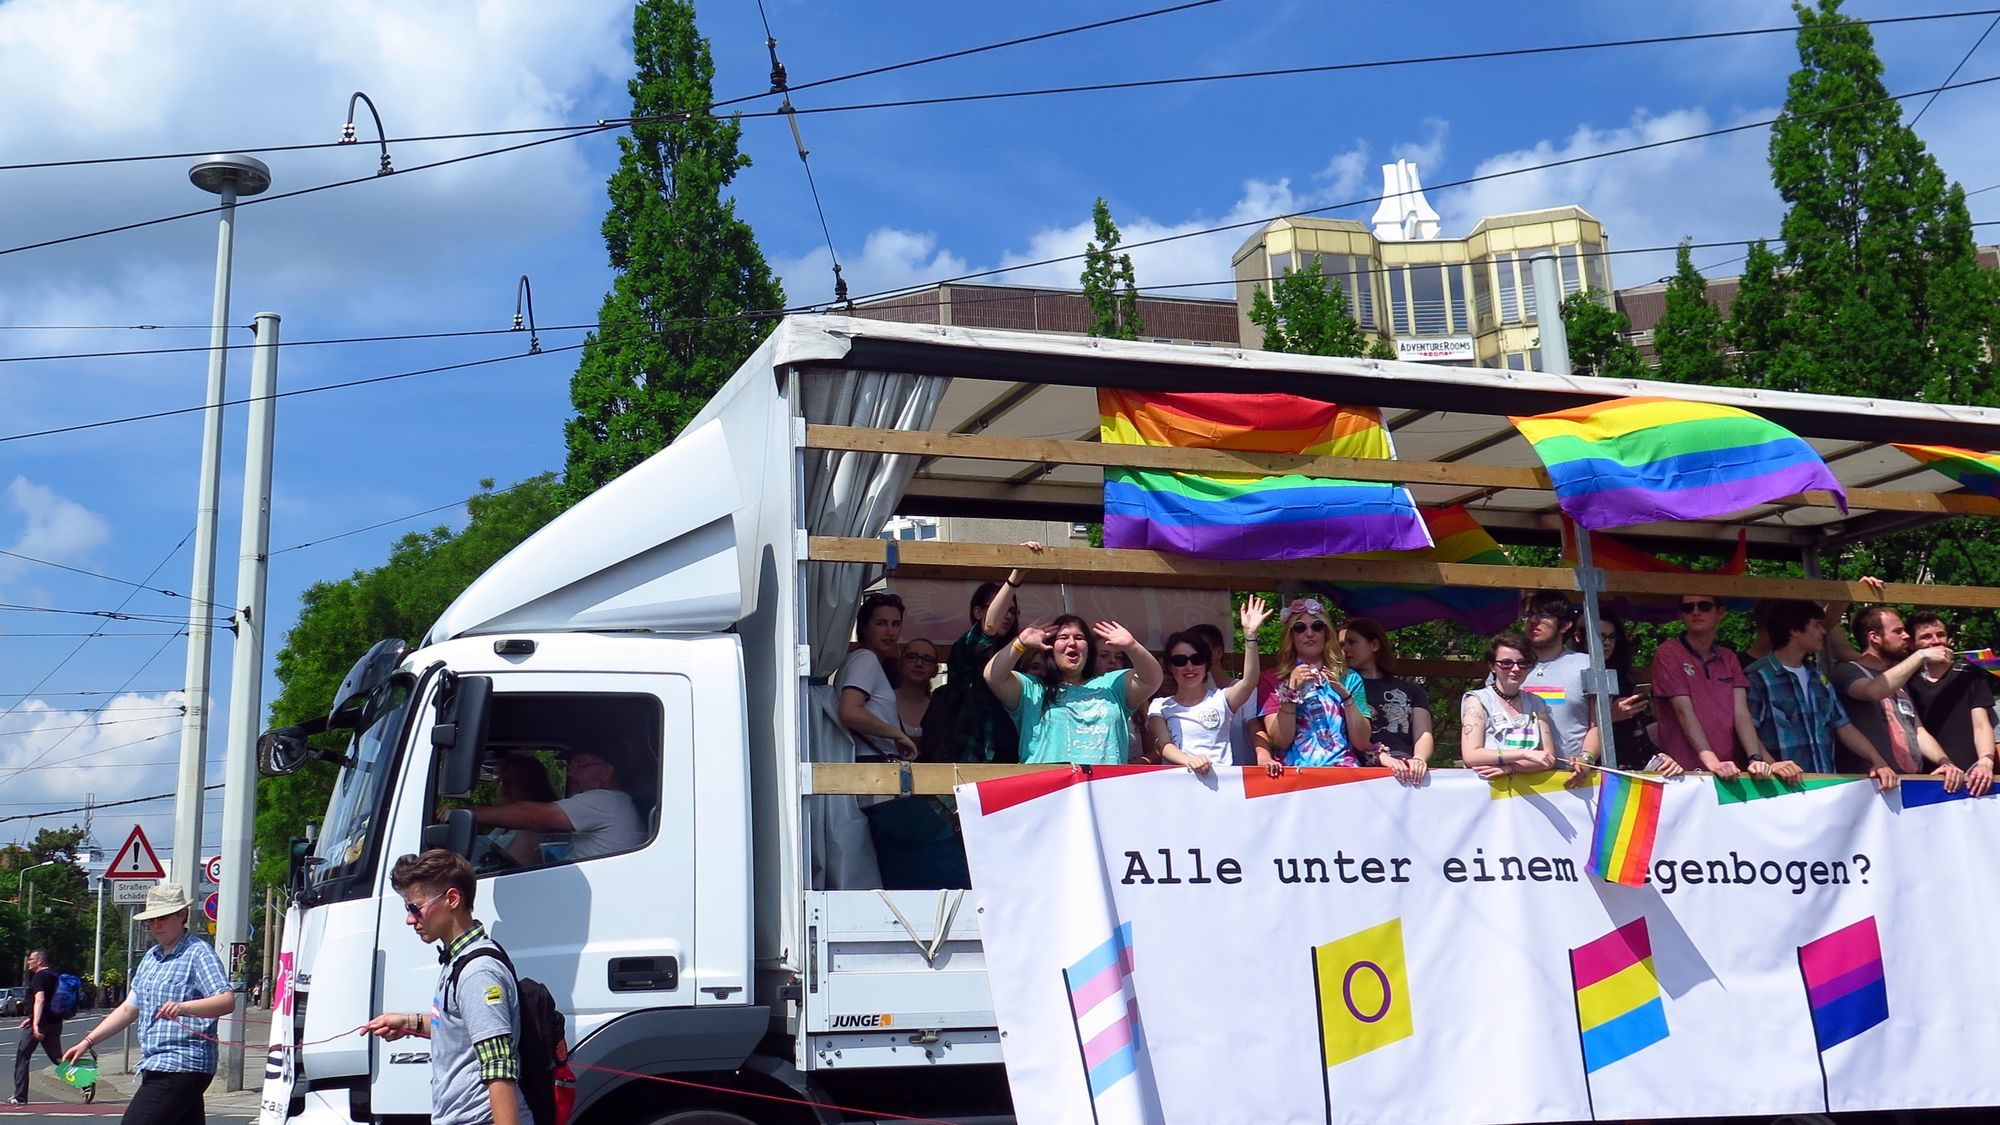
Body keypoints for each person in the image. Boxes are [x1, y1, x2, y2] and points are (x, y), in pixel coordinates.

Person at [363, 850, 529, 1125]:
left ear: (452, 899)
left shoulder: (478, 972)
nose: (409, 919)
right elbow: (462, 1027)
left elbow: (499, 1065)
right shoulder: (459, 960)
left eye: (415, 907)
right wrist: (408, 1022)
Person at [63, 883, 233, 1124]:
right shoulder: (151, 958)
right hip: (157, 1063)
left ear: (181, 915)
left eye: (162, 918)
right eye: (151, 920)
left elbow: (226, 1000)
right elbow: (128, 1008)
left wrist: (184, 1007)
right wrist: (87, 1041)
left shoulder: (198, 952)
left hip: (182, 1063)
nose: (156, 925)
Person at [1743, 600, 1898, 789]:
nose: (1823, 632)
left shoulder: (1818, 678)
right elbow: (1747, 729)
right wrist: (1772, 763)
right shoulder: (1757, 676)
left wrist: (1878, 761)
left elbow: (1844, 727)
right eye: (1817, 626)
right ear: (1794, 630)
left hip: (1824, 787)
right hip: (1779, 789)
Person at [983, 614, 1163, 765]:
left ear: (1088, 649)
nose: (1072, 643)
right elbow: (993, 676)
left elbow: (1152, 679)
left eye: (1079, 638)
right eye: (1063, 638)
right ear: (1050, 647)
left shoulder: (1111, 685)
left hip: (1103, 793)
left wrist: (1132, 646)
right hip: (1049, 794)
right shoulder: (1032, 688)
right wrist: (1020, 643)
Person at [929, 544, 1039, 764]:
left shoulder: (1018, 654)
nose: (1007, 615)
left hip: (1014, 754)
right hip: (974, 754)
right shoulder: (967, 646)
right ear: (978, 612)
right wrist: (1015, 577)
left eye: (1012, 610)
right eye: (1000, 606)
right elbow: (988, 628)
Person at [1831, 607, 1959, 783]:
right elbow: (1873, 691)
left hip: (1906, 781)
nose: (1906, 636)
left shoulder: (1898, 676)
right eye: (1898, 631)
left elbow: (1917, 730)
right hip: (1868, 784)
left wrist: (1945, 762)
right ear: (1874, 637)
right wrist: (1920, 656)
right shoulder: (1848, 671)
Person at [1651, 594, 1770, 778]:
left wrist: (1755, 758)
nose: (1696, 612)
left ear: (1720, 613)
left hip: (1730, 770)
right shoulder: (1668, 653)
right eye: (1688, 608)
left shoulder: (1729, 657)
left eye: (1704, 606)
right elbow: (1683, 712)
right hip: (1682, 773)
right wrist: (1713, 762)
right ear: (1681, 615)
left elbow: (1741, 713)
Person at [1148, 597, 1271, 773]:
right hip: (1178, 789)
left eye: (1196, 659)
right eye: (1180, 660)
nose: (1189, 667)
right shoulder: (1159, 705)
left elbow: (1249, 681)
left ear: (1206, 664)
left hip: (1221, 790)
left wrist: (1250, 636)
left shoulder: (1221, 698)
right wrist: (1189, 761)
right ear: (1170, 666)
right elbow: (1163, 745)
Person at [468, 748, 644, 862]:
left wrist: (464, 814)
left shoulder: (606, 801)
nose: (570, 773)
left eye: (580, 765)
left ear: (607, 772)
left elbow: (535, 817)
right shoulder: (615, 804)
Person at [1255, 598, 1373, 769]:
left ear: (1326, 633)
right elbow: (1281, 741)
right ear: (1291, 636)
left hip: (1343, 773)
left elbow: (1362, 743)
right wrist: (1291, 690)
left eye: (1317, 626)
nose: (1309, 633)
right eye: (1300, 628)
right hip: (1295, 775)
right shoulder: (1272, 678)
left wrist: (1345, 696)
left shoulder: (1349, 677)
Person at [1906, 612, 1997, 794]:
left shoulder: (1970, 673)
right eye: (1926, 637)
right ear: (1911, 644)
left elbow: (1981, 725)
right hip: (1925, 778)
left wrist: (1986, 761)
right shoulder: (1905, 678)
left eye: (1940, 634)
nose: (1936, 641)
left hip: (1975, 778)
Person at [1341, 617, 1434, 784]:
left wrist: (1419, 759)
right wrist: (1380, 757)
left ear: (1375, 645)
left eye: (1352, 642)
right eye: (1341, 645)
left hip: (1407, 771)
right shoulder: (1342, 689)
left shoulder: (1411, 690)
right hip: (1360, 775)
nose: (1345, 649)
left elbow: (1424, 734)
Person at [1519, 591, 1600, 774]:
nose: (1533, 621)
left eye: (1544, 615)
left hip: (1570, 777)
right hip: (1516, 776)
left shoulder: (1587, 664)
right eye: (1529, 615)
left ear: (1564, 625)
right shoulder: (1509, 664)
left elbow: (1599, 725)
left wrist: (1586, 758)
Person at [1461, 633, 1558, 778]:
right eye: (1506, 663)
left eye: (1522, 663)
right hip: (1486, 789)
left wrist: (1511, 767)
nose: (1515, 669)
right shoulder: (1477, 700)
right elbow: (1471, 756)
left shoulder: (1537, 703)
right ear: (1492, 666)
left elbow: (1548, 758)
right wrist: (1525, 754)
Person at [836, 592, 917, 761]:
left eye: (896, 624)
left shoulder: (857, 659)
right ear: (864, 627)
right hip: (871, 760)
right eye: (881, 623)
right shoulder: (866, 659)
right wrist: (897, 734)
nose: (890, 632)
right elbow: (849, 712)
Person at [1190, 621, 1257, 768]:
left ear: (1218, 652)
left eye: (1200, 648)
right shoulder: (1186, 696)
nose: (1194, 654)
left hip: (1240, 775)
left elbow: (1255, 727)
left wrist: (1264, 757)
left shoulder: (1246, 690)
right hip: (1199, 774)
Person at [487, 755, 559, 868]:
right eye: (500, 782)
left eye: (510, 782)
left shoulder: (539, 826)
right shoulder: (504, 825)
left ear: (532, 784)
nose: (503, 790)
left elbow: (507, 868)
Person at [10, 949, 62, 1106]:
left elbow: (40, 1000)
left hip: (41, 1024)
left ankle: (20, 1097)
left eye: (31, 959)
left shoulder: (39, 976)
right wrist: (30, 1018)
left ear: (40, 961)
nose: (28, 961)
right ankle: (85, 1081)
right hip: (55, 1022)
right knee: (58, 1058)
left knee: (22, 1057)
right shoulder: (54, 975)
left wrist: (35, 1025)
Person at [896, 638, 940, 745]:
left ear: (936, 671)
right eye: (912, 657)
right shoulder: (883, 701)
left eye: (927, 659)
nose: (919, 664)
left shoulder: (939, 709)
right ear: (901, 664)